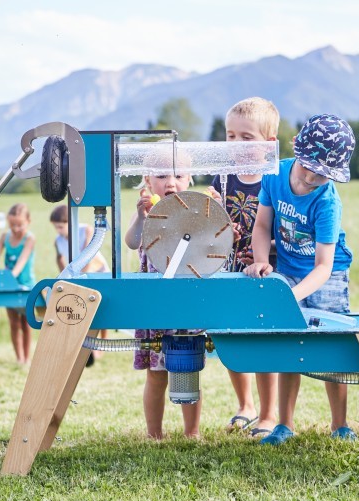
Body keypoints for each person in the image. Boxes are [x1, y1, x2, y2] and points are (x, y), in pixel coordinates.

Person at [244, 113, 357, 445]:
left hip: (329, 274)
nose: (314, 177)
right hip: (289, 268)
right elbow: (262, 226)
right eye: (311, 167)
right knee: (290, 344)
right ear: (297, 149)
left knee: (331, 345)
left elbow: (323, 266)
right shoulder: (275, 174)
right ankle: (285, 424)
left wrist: (291, 296)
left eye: (324, 173)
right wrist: (263, 262)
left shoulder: (327, 202)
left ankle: (340, 424)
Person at [205, 97, 279, 439]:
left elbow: (283, 227)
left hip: (267, 270)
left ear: (269, 144)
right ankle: (245, 404)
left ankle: (267, 413)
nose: (236, 144)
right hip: (230, 268)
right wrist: (217, 219)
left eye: (246, 138)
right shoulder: (221, 177)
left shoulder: (274, 179)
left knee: (263, 339)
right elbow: (211, 231)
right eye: (230, 136)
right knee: (230, 335)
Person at [124, 148, 201, 439]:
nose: (171, 183)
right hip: (154, 305)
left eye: (179, 175)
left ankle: (191, 432)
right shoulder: (147, 210)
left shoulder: (195, 208)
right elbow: (132, 243)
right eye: (162, 175)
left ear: (190, 178)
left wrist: (216, 210)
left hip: (186, 303)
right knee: (156, 375)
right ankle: (154, 433)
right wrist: (142, 218)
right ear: (147, 180)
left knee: (188, 369)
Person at [50, 204, 109, 364]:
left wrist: (82, 276)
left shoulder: (86, 231)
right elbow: (60, 259)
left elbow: (88, 254)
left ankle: (101, 346)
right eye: (56, 227)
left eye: (61, 227)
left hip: (96, 273)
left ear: (70, 223)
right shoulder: (58, 241)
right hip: (77, 277)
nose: (59, 230)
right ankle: (85, 346)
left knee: (101, 311)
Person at [0, 203, 36, 364]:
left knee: (26, 323)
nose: (16, 228)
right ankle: (19, 358)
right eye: (12, 224)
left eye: (20, 225)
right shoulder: (5, 237)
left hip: (25, 285)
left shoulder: (29, 239)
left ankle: (27, 358)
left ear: (28, 221)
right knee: (14, 323)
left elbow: (21, 263)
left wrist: (9, 277)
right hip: (8, 286)